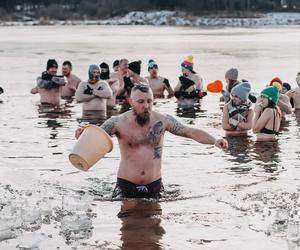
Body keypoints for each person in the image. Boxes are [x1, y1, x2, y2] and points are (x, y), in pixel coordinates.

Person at [75, 84, 228, 199]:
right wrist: (82, 134)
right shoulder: (117, 122)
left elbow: (190, 132)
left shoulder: (163, 120)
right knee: (129, 232)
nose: (146, 106)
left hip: (154, 185)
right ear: (130, 101)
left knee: (154, 233)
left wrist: (214, 140)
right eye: (141, 102)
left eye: (149, 101)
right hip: (126, 185)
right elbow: (95, 137)